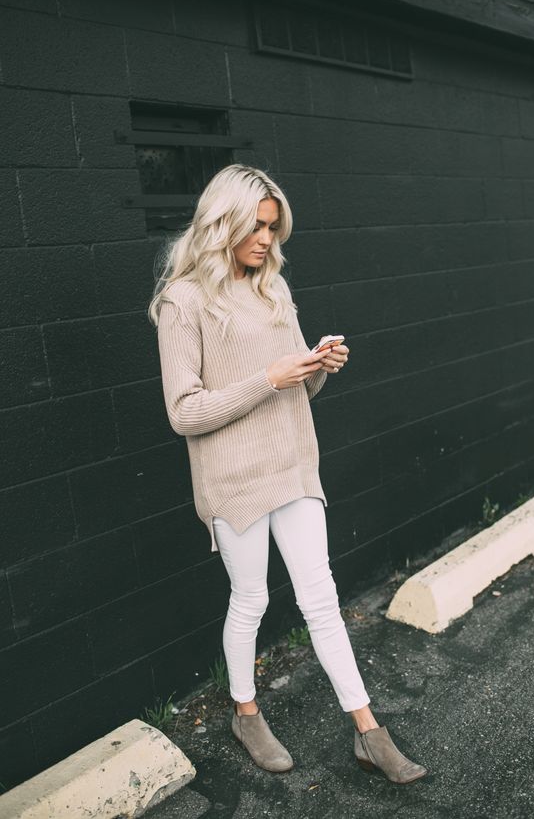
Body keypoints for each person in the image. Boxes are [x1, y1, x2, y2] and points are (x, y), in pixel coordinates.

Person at [149, 164, 427, 784]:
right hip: (234, 480)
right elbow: (183, 412)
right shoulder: (183, 301)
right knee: (250, 599)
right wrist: (268, 378)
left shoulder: (273, 289)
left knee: (321, 600)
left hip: (294, 466)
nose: (267, 241)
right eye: (257, 227)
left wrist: (319, 364)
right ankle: (246, 714)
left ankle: (368, 730)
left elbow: (296, 384)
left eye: (273, 228)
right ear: (223, 222)